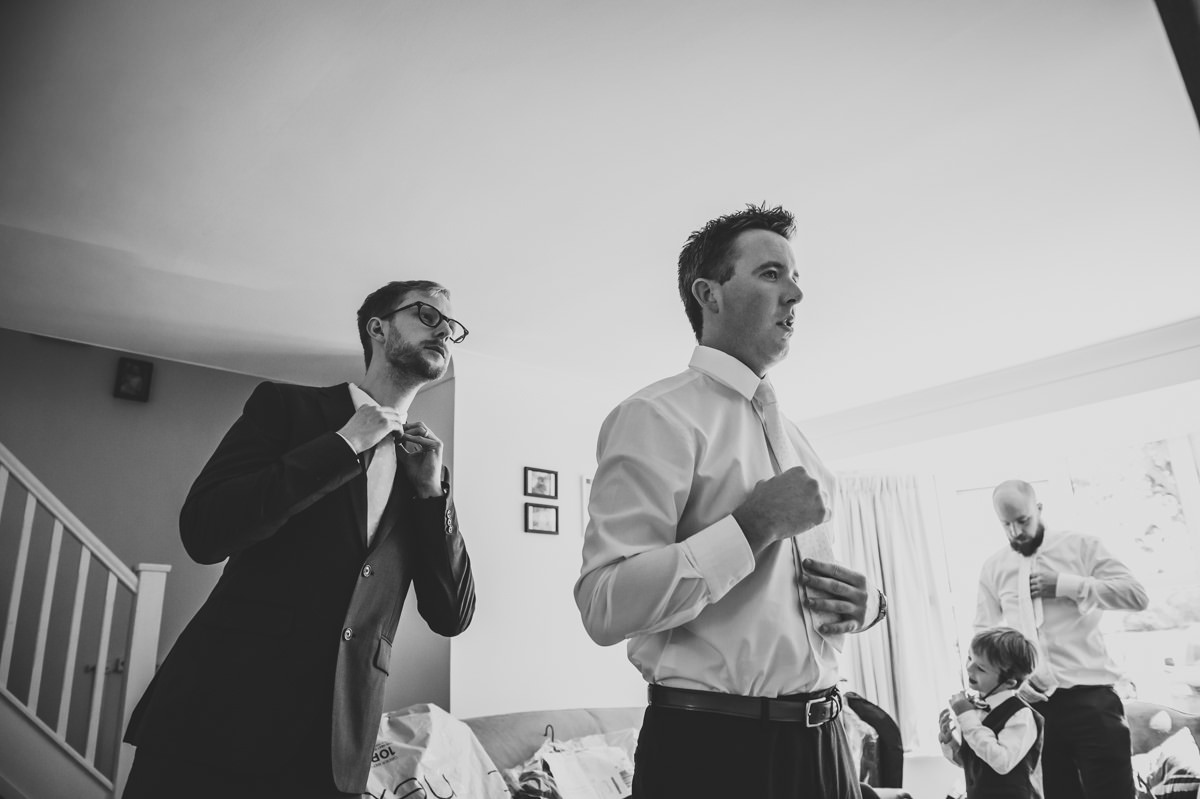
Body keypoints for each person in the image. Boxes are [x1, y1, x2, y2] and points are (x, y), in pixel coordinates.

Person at [575, 203, 887, 799]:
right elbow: (603, 605)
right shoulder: (655, 416)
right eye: (771, 274)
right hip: (713, 754)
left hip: (828, 749)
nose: (795, 293)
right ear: (708, 293)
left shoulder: (798, 442)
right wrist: (753, 525)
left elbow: (798, 602)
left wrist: (869, 604)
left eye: (795, 278)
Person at [122, 280, 477, 798]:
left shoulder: (422, 469)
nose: (445, 329)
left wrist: (433, 495)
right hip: (215, 722)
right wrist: (343, 444)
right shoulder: (286, 409)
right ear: (377, 327)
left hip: (331, 755)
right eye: (428, 315)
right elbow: (205, 532)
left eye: (453, 327)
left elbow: (452, 615)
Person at [976, 480, 1149, 799]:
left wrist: (1068, 585)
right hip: (1035, 710)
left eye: (1023, 520)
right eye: (1007, 525)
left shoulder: (1082, 547)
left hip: (1093, 704)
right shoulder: (994, 568)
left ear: (1038, 510)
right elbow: (983, 638)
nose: (1016, 532)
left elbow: (1136, 596)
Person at [940, 627, 1044, 798]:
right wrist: (950, 742)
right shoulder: (976, 710)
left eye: (981, 668)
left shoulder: (1021, 715)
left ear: (1009, 682)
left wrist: (967, 717)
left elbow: (1001, 762)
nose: (969, 668)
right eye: (969, 658)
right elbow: (976, 764)